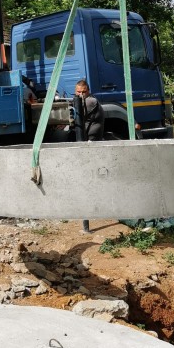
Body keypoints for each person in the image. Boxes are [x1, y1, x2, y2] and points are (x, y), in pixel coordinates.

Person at [74, 79, 105, 234]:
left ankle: (90, 214)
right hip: (87, 143)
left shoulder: (90, 101)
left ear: (88, 91)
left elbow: (79, 118)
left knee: (87, 178)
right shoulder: (83, 101)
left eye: (83, 92)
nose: (81, 95)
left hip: (91, 143)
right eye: (78, 92)